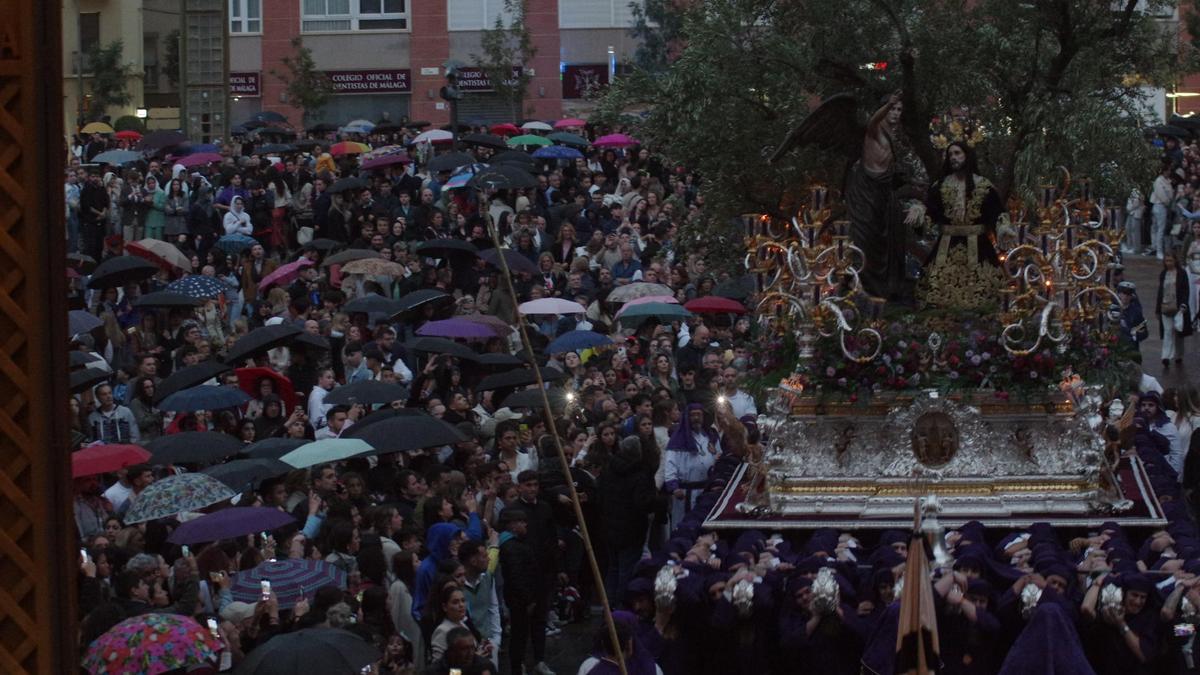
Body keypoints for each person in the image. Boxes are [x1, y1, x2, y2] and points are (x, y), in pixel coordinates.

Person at [913, 141, 1004, 309]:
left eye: (957, 153)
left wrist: (1004, 228)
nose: (953, 158)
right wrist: (919, 213)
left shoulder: (984, 185)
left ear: (967, 156)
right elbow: (930, 211)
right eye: (950, 155)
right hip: (946, 246)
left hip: (978, 246)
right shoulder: (940, 186)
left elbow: (998, 214)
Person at [848, 90, 908, 300]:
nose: (896, 113)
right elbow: (872, 121)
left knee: (888, 241)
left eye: (899, 109)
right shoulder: (874, 129)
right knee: (866, 240)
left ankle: (886, 288)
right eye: (892, 108)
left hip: (884, 194)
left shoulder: (895, 135)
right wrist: (886, 104)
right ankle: (865, 288)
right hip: (866, 193)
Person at [1157, 253, 1192, 369]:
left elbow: (1185, 290)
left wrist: (1184, 304)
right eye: (1167, 261)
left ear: (1175, 261)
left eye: (1171, 261)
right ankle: (1166, 356)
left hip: (1178, 307)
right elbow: (1160, 291)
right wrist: (1158, 309)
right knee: (1168, 331)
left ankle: (1179, 355)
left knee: (1178, 332)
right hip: (1165, 307)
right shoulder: (1163, 274)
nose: (1169, 263)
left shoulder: (1182, 273)